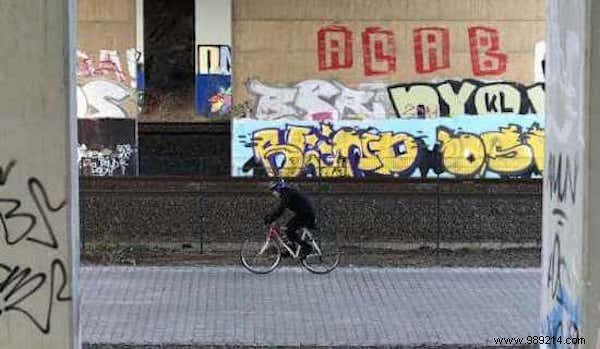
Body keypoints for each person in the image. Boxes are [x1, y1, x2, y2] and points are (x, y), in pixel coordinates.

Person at [264, 179, 316, 259]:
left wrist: (271, 218)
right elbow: (279, 208)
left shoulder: (287, 194)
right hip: (303, 214)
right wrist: (271, 216)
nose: (273, 193)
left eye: (273, 191)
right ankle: (292, 249)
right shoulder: (286, 193)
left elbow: (281, 209)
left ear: (278, 189)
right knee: (287, 229)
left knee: (289, 230)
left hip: (306, 214)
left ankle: (306, 247)